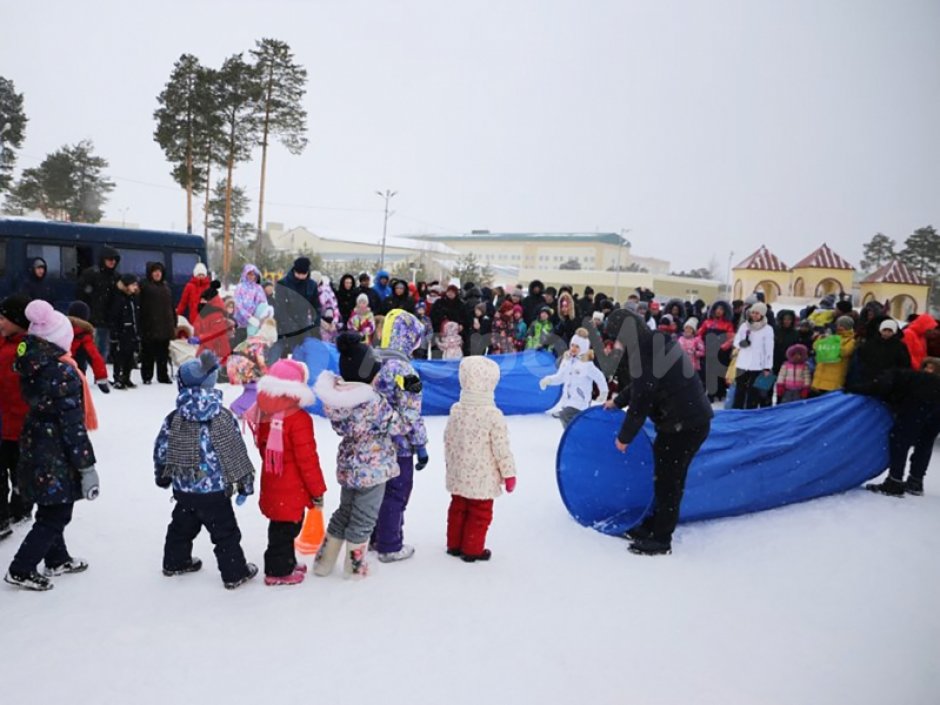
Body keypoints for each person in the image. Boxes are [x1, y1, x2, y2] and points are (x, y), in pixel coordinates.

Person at [4, 300, 99, 591]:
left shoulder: (33, 365)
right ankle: (21, 568)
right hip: (54, 452)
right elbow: (72, 426)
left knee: (50, 506)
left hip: (36, 444)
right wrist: (87, 467)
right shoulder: (63, 374)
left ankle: (57, 559)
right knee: (56, 513)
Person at [603, 309, 713, 556]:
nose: (616, 344)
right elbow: (642, 385)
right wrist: (618, 401)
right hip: (681, 422)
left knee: (669, 480)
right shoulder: (653, 342)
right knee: (663, 474)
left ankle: (661, 538)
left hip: (686, 424)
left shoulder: (646, 353)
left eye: (617, 337)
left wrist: (624, 438)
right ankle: (654, 524)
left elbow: (642, 400)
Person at [152, 351, 258, 590]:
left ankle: (175, 562)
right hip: (215, 493)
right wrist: (244, 483)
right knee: (225, 534)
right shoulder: (222, 417)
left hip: (185, 490)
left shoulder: (174, 418)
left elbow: (161, 449)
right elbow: (234, 453)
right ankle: (234, 573)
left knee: (181, 527)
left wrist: (162, 475)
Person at [312, 333, 406, 580]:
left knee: (344, 511)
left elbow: (343, 427)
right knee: (364, 518)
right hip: (373, 469)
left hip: (349, 466)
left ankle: (323, 561)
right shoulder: (373, 402)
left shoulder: (339, 400)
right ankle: (355, 568)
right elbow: (396, 426)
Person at [245, 359, 325, 586]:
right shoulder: (298, 419)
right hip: (293, 486)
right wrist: (317, 489)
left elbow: (263, 447)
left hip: (274, 482)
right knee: (286, 529)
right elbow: (307, 460)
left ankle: (287, 561)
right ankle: (277, 570)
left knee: (282, 525)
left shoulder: (264, 412)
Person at [444, 356, 517, 561]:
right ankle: (472, 548)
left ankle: (454, 544)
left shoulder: (456, 410)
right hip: (482, 478)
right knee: (480, 512)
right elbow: (501, 448)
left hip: (459, 473)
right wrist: (509, 474)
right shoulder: (493, 415)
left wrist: (450, 464)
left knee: (458, 507)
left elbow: (448, 440)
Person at [372, 309, 428, 563]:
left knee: (378, 491)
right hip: (400, 446)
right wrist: (421, 444)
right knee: (397, 492)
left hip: (374, 443)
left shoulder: (373, 361)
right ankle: (390, 544)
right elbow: (411, 413)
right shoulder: (405, 371)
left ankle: (374, 536)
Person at [852, 357, 940, 497]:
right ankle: (915, 482)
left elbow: (886, 388)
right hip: (934, 413)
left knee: (900, 441)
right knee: (924, 445)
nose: (928, 370)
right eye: (926, 367)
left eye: (932, 368)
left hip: (917, 410)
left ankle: (894, 482)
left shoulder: (916, 380)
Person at [0, 295, 33, 539]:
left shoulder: (27, 349)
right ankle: (5, 516)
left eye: (3, 318)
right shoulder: (4, 344)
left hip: (20, 424)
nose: (0, 322)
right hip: (5, 424)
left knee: (20, 470)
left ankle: (20, 509)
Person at [539, 329, 608, 427]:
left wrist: (603, 392)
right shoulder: (566, 361)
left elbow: (599, 377)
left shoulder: (587, 365)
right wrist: (548, 380)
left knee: (565, 416)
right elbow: (560, 377)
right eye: (572, 345)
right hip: (566, 401)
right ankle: (574, 440)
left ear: (583, 348)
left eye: (577, 347)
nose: (573, 348)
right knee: (569, 425)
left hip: (580, 402)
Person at [226, 303, 278, 418]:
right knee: (255, 389)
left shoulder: (255, 339)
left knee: (251, 388)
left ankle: (245, 410)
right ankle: (236, 408)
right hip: (241, 366)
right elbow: (260, 361)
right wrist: (266, 372)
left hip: (238, 363)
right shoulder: (260, 344)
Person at [77, 246, 121, 361]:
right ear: (103, 259)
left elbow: (117, 299)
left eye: (114, 260)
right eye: (109, 259)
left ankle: (100, 372)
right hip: (90, 319)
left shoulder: (116, 277)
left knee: (101, 351)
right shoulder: (90, 274)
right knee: (86, 349)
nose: (112, 262)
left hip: (106, 320)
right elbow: (81, 294)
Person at [273, 257, 320, 356]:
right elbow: (280, 309)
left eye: (304, 274)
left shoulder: (312, 285)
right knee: (285, 355)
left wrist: (316, 325)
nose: (301, 276)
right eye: (298, 273)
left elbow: (316, 307)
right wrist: (291, 327)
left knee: (306, 354)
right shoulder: (283, 284)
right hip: (285, 327)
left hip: (304, 325)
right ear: (294, 271)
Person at [732, 301, 775, 409]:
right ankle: (737, 411)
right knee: (740, 390)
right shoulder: (744, 326)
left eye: (757, 313)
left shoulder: (767, 329)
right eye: (753, 312)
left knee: (753, 391)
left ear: (762, 315)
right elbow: (736, 340)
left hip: (757, 365)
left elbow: (769, 350)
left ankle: (750, 412)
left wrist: (767, 367)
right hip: (742, 363)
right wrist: (742, 343)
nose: (754, 315)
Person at [138, 262, 175, 385]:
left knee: (163, 354)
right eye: (154, 271)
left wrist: (173, 323)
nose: (157, 273)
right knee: (147, 353)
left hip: (165, 327)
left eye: (159, 271)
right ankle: (147, 376)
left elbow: (171, 307)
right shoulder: (144, 286)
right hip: (149, 326)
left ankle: (162, 375)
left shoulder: (166, 287)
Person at [66, 301, 110, 393]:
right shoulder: (84, 335)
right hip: (77, 374)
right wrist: (101, 379)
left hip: (57, 372)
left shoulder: (58, 329)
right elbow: (95, 357)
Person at [697, 301, 735, 402]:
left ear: (725, 311)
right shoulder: (707, 322)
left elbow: (731, 339)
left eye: (721, 309)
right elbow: (699, 334)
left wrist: (722, 347)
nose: (718, 311)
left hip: (721, 354)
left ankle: (718, 393)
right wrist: (702, 346)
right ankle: (709, 394)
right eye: (717, 309)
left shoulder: (728, 324)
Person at [109, 273, 141, 390]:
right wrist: (115, 333)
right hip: (122, 332)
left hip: (131, 331)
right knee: (120, 356)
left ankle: (127, 377)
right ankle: (118, 378)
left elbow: (135, 315)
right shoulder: (119, 298)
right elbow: (115, 317)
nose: (135, 287)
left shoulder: (133, 298)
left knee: (129, 356)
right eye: (133, 285)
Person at [191, 280, 233, 366]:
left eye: (203, 300)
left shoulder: (216, 314)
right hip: (208, 346)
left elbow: (215, 333)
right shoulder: (205, 312)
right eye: (201, 299)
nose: (201, 302)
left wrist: (200, 338)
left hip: (218, 350)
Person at [811, 316, 856, 395]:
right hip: (819, 376)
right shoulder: (828, 336)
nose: (839, 327)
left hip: (834, 380)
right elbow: (815, 346)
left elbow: (843, 352)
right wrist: (823, 339)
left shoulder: (850, 341)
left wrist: (828, 344)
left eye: (841, 325)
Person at [856, 318, 911, 383]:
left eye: (890, 331)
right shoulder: (871, 344)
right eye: (884, 330)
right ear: (880, 330)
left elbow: (905, 363)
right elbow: (863, 359)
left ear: (894, 332)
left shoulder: (900, 346)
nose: (886, 333)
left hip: (892, 380)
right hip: (872, 378)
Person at [233, 264, 267, 346]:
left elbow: (263, 303)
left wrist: (261, 317)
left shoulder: (258, 288)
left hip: (254, 323)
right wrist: (248, 317)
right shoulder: (240, 287)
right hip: (240, 323)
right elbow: (238, 304)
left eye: (253, 274)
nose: (251, 276)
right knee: (240, 345)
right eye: (249, 274)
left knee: (252, 347)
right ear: (245, 274)